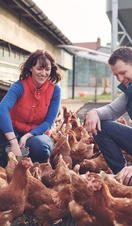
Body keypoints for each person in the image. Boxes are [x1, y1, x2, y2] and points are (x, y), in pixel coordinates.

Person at [0, 49, 62, 166]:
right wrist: (13, 141)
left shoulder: (55, 90)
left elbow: (49, 122)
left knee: (40, 147)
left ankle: (36, 173)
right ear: (31, 68)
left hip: (36, 134)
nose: (43, 73)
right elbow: (2, 108)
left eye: (47, 69)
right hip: (13, 130)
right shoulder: (19, 86)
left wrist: (27, 136)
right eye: (39, 68)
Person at [85, 46, 132, 186]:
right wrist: (94, 113)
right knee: (101, 126)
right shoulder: (129, 91)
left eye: (123, 73)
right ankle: (123, 176)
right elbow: (111, 110)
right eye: (116, 75)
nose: (120, 79)